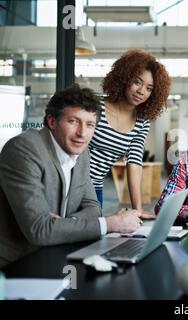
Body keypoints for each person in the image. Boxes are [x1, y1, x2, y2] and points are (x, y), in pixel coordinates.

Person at [0, 84, 143, 267]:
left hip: (55, 252)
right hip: (15, 264)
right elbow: (40, 229)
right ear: (52, 122)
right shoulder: (24, 150)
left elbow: (93, 208)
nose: (82, 133)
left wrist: (65, 224)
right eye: (73, 121)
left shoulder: (82, 153)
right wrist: (110, 224)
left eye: (90, 124)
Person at [88, 50, 171, 216]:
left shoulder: (142, 121)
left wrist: (137, 210)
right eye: (137, 82)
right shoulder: (95, 106)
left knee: (91, 236)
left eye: (149, 88)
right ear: (125, 78)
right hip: (67, 183)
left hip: (94, 189)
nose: (141, 91)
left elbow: (134, 162)